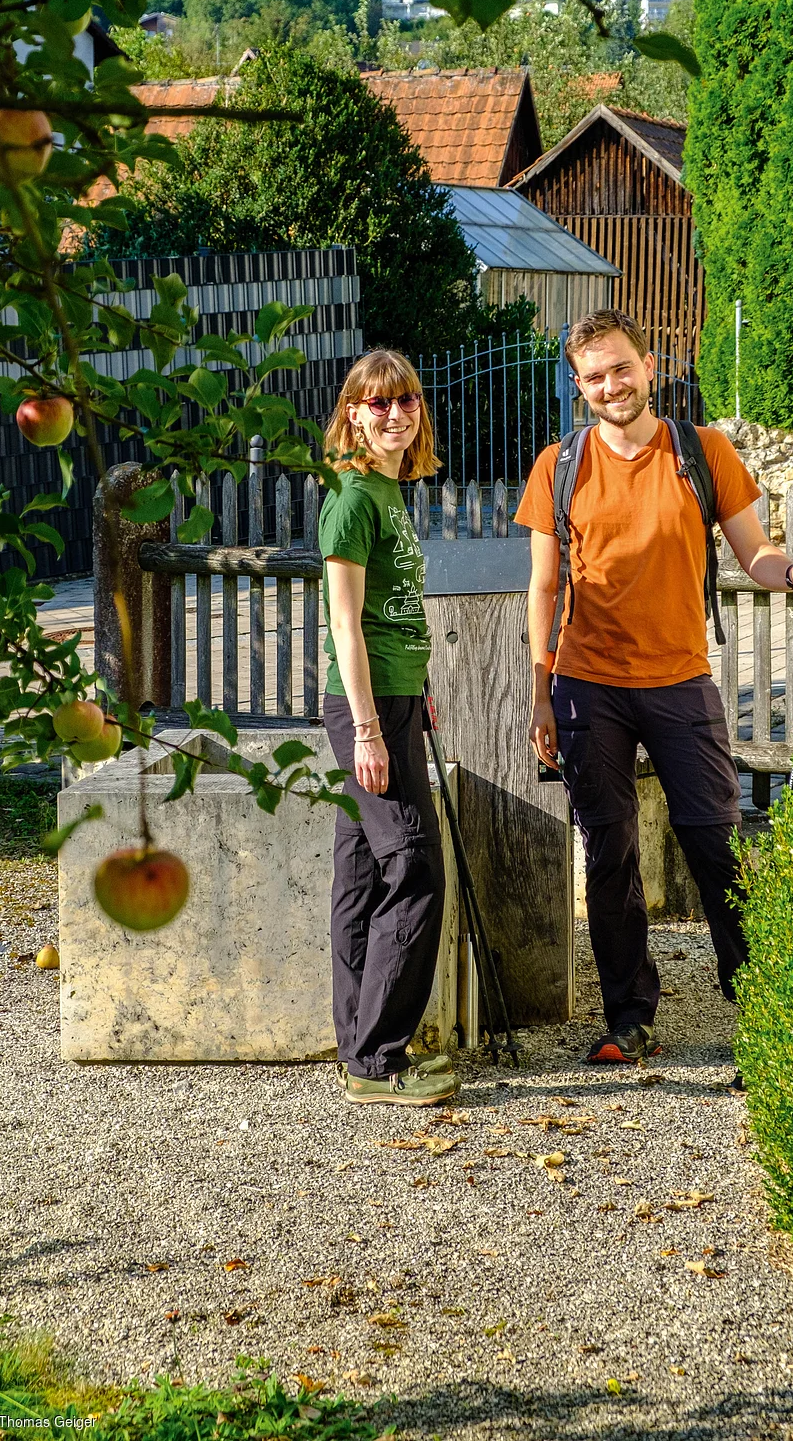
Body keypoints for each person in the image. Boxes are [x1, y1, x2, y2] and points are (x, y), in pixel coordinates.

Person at [517, 309, 793, 1066]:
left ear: (650, 366)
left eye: (620, 368)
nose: (610, 386)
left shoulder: (703, 452)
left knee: (715, 843)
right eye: (594, 377)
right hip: (586, 686)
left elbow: (755, 553)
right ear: (578, 386)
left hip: (681, 681)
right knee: (609, 853)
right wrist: (539, 694)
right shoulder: (558, 466)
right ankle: (630, 1017)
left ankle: (765, 1010)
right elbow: (542, 589)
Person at [320, 349, 459, 1108]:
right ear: (352, 413)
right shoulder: (351, 500)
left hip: (393, 698)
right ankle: (378, 1058)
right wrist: (371, 729)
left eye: (406, 401)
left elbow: (391, 618)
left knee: (363, 872)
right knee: (415, 867)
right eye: (378, 404)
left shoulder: (388, 491)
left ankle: (358, 1046)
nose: (395, 414)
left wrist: (416, 694)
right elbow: (345, 625)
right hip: (364, 706)